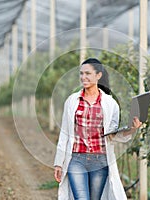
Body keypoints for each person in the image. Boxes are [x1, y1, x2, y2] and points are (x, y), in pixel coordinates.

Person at [54, 58, 142, 200]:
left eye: (88, 73)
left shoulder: (111, 104)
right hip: (76, 160)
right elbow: (64, 134)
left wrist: (132, 129)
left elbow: (112, 135)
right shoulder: (72, 101)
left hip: (100, 161)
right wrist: (59, 163)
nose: (83, 77)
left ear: (98, 75)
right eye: (81, 74)